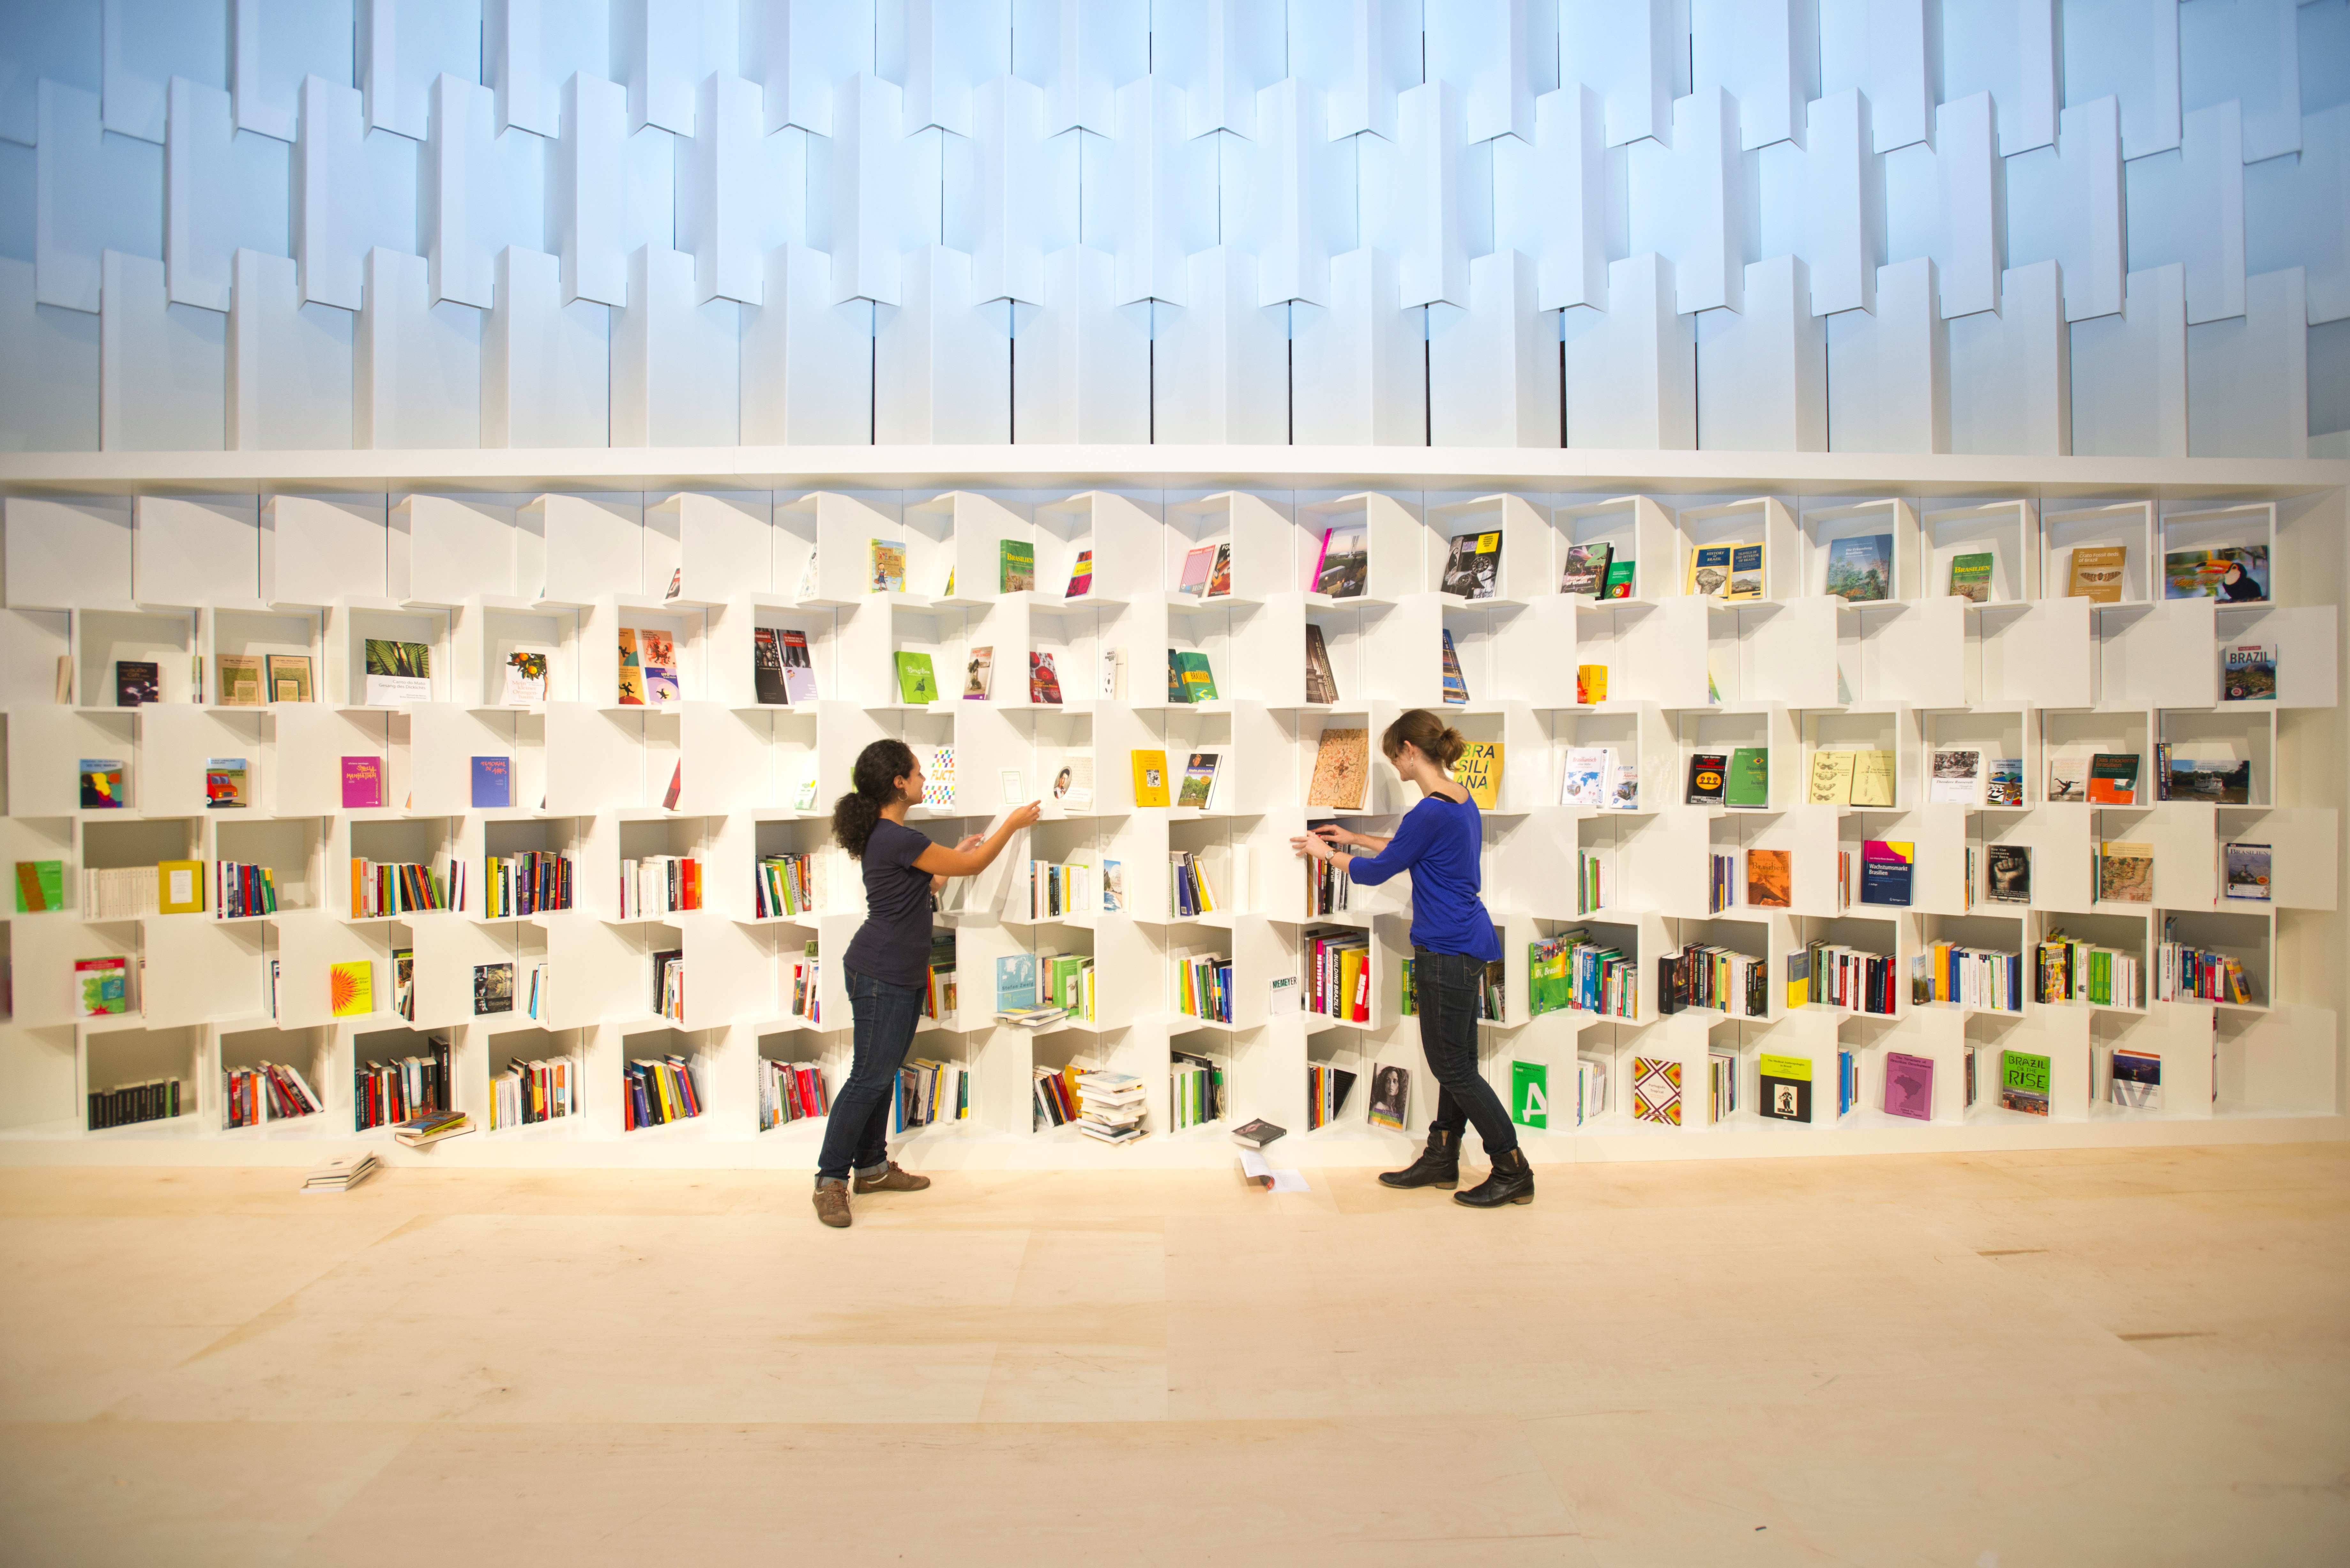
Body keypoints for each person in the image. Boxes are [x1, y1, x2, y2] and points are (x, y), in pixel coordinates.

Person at [1290, 711, 1532, 1208]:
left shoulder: (1428, 811)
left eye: (1393, 756)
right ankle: (1442, 1157)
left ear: (1409, 750)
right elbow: (1410, 851)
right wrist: (1355, 839)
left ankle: (1513, 1168)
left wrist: (1323, 852)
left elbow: (1377, 872)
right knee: (1458, 1063)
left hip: (1446, 946)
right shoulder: (1458, 798)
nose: (1394, 766)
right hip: (1468, 940)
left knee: (1454, 1068)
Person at [817, 739, 1040, 1228]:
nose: (924, 780)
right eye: (918, 773)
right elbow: (975, 867)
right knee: (867, 1079)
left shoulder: (891, 837)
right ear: (899, 782)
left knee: (880, 1075)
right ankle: (830, 1180)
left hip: (894, 970)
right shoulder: (896, 837)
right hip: (881, 972)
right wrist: (1011, 825)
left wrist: (948, 860)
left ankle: (871, 1169)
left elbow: (921, 887)